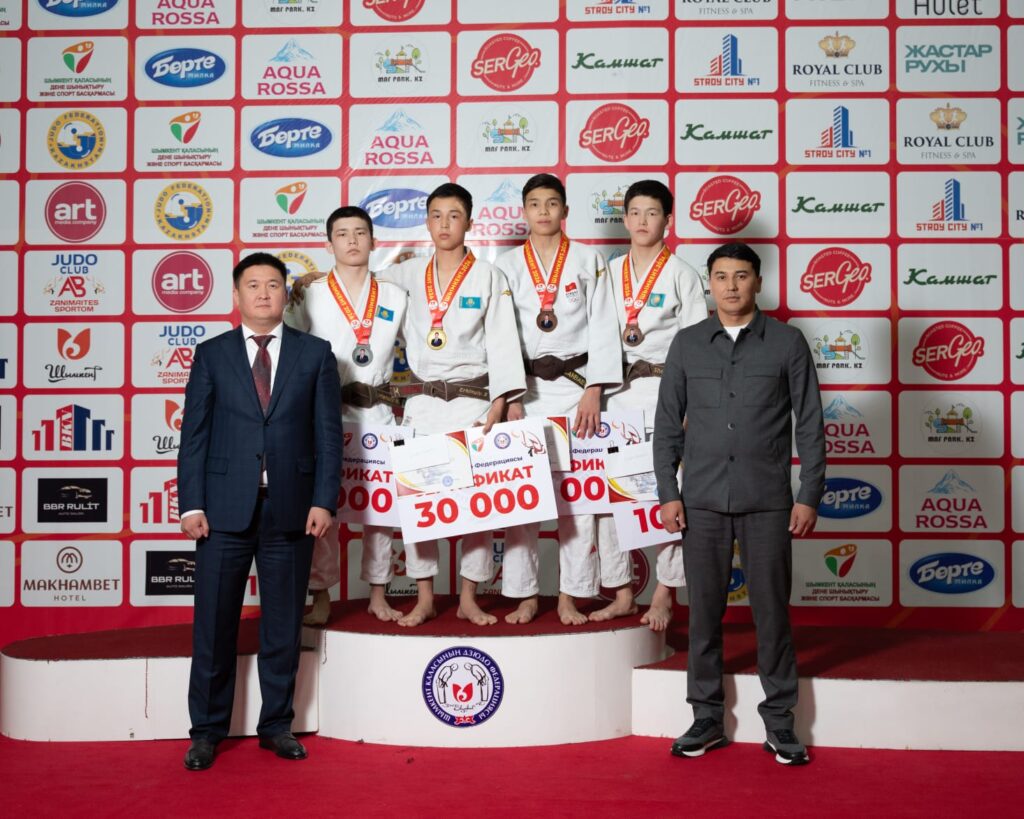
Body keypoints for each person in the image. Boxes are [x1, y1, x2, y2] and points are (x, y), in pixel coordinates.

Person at [653, 242, 825, 766]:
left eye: (742, 275)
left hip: (767, 501)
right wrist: (668, 492)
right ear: (709, 283)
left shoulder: (788, 343)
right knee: (704, 615)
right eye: (722, 276)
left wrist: (809, 494)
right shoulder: (687, 344)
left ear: (758, 282)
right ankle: (706, 718)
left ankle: (781, 722)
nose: (731, 286)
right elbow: (667, 426)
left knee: (772, 614)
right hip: (701, 501)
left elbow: (810, 424)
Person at [178, 252, 342, 770]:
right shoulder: (212, 354)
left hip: (291, 509)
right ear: (237, 295)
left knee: (283, 626)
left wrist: (324, 499)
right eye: (253, 285)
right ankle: (206, 731)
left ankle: (277, 726)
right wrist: (191, 503)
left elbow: (329, 435)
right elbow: (194, 435)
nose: (264, 293)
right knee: (214, 626)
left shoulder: (316, 354)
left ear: (286, 294)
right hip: (221, 512)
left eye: (273, 284)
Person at [378, 182, 526, 627]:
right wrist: (313, 283)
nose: (444, 224)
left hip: (473, 403)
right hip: (423, 403)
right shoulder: (405, 275)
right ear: (426, 222)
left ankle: (468, 597)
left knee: (476, 508)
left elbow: (503, 342)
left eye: (454, 215)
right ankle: (424, 597)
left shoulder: (488, 277)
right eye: (437, 215)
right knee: (419, 505)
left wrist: (501, 402)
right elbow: (358, 292)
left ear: (470, 223)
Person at [498, 173, 622, 625]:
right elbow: (501, 334)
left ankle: (573, 593)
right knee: (522, 498)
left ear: (565, 210)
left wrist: (594, 388)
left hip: (576, 388)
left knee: (579, 499)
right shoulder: (506, 265)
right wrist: (510, 394)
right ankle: (525, 594)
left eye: (552, 203)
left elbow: (605, 325)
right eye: (535, 204)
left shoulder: (589, 260)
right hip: (526, 392)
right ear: (524, 212)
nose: (544, 211)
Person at [285, 206, 409, 625]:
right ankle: (321, 594)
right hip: (324, 413)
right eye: (342, 234)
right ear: (328, 244)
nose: (352, 240)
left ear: (374, 241)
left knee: (382, 508)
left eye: (360, 232)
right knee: (324, 506)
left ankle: (378, 592)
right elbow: (290, 351)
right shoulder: (308, 293)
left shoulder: (395, 294)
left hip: (378, 412)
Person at [593, 179, 707, 629]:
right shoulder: (610, 272)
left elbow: (697, 346)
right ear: (624, 219)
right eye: (635, 212)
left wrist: (690, 406)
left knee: (671, 493)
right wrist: (594, 390)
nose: (643, 221)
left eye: (652, 213)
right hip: (617, 396)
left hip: (666, 394)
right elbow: (600, 337)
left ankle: (664, 592)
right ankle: (621, 591)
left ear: (668, 220)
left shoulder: (682, 273)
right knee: (612, 495)